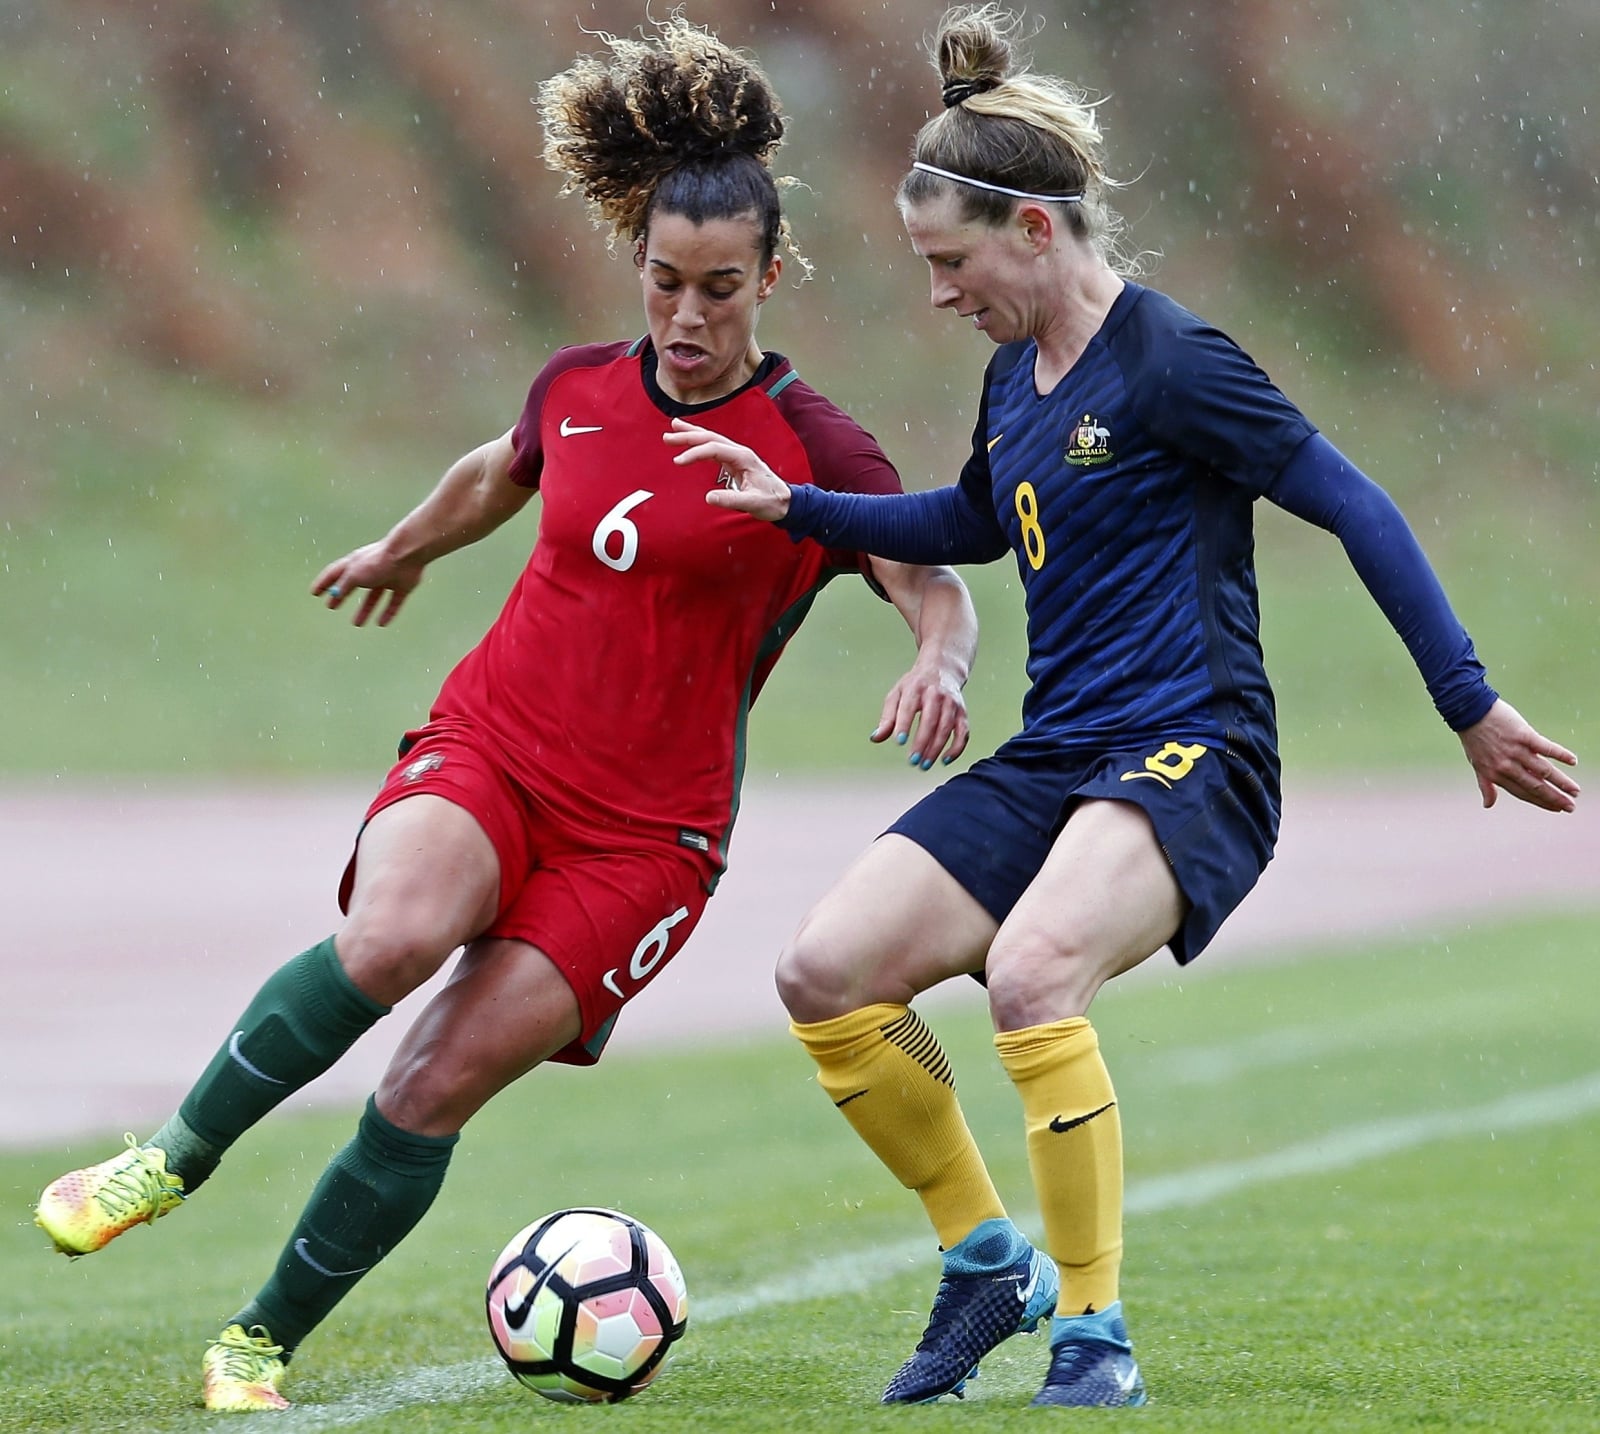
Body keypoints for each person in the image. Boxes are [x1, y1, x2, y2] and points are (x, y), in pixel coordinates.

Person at [32, 17, 980, 1414]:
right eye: (667, 282)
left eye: (723, 287)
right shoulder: (581, 388)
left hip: (644, 841)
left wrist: (943, 659)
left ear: (772, 275)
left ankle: (256, 1344)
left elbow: (927, 576)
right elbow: (500, 468)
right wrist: (408, 544)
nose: (690, 317)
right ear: (637, 268)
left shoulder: (815, 449)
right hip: (498, 745)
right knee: (394, 933)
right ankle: (166, 1156)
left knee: (430, 1083)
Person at [666, 2, 1582, 1410]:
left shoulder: (1171, 359)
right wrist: (800, 502)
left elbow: (1354, 502)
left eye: (950, 260)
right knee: (825, 971)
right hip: (1063, 753)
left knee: (1034, 975)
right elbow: (976, 514)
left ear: (1034, 231)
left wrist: (1468, 699)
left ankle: (1096, 1335)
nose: (937, 293)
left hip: (1194, 747)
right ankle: (987, 1261)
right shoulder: (1010, 378)